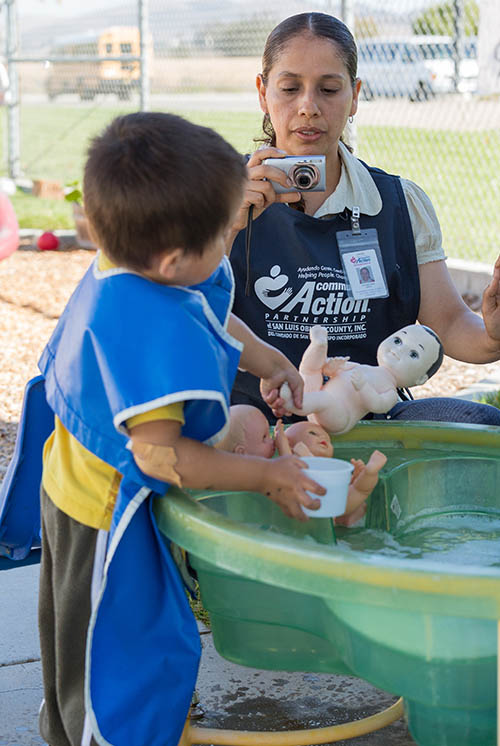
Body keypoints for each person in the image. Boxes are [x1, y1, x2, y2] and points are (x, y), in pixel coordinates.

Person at [37, 112, 328, 746]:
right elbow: (163, 457)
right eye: (225, 235)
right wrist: (266, 475)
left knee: (89, 643)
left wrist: (270, 359)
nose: (232, 240)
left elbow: (210, 310)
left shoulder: (137, 260)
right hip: (101, 513)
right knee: (108, 660)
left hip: (80, 476)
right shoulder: (145, 325)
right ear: (173, 260)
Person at [227, 11, 500, 426]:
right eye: (289, 87)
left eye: (329, 88)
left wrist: (492, 334)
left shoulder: (397, 202)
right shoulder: (215, 195)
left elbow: (446, 321)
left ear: (354, 96)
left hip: (367, 417)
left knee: (480, 424)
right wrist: (225, 224)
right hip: (252, 425)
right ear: (263, 93)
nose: (308, 107)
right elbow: (176, 309)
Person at [280, 324, 443, 434]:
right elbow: (331, 372)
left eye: (413, 354)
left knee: (324, 400)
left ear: (421, 379)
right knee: (310, 369)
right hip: (318, 396)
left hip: (339, 417)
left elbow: (378, 405)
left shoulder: (391, 391)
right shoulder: (363, 367)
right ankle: (318, 345)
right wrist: (331, 366)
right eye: (397, 340)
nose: (398, 350)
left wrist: (363, 387)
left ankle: (290, 401)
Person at [274, 419, 387, 525]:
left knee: (358, 494)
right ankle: (368, 475)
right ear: (290, 444)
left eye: (328, 439)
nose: (323, 437)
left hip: (333, 513)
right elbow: (287, 467)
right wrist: (283, 445)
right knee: (358, 491)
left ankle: (369, 473)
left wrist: (354, 479)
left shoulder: (334, 469)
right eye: (313, 433)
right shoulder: (294, 462)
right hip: (313, 512)